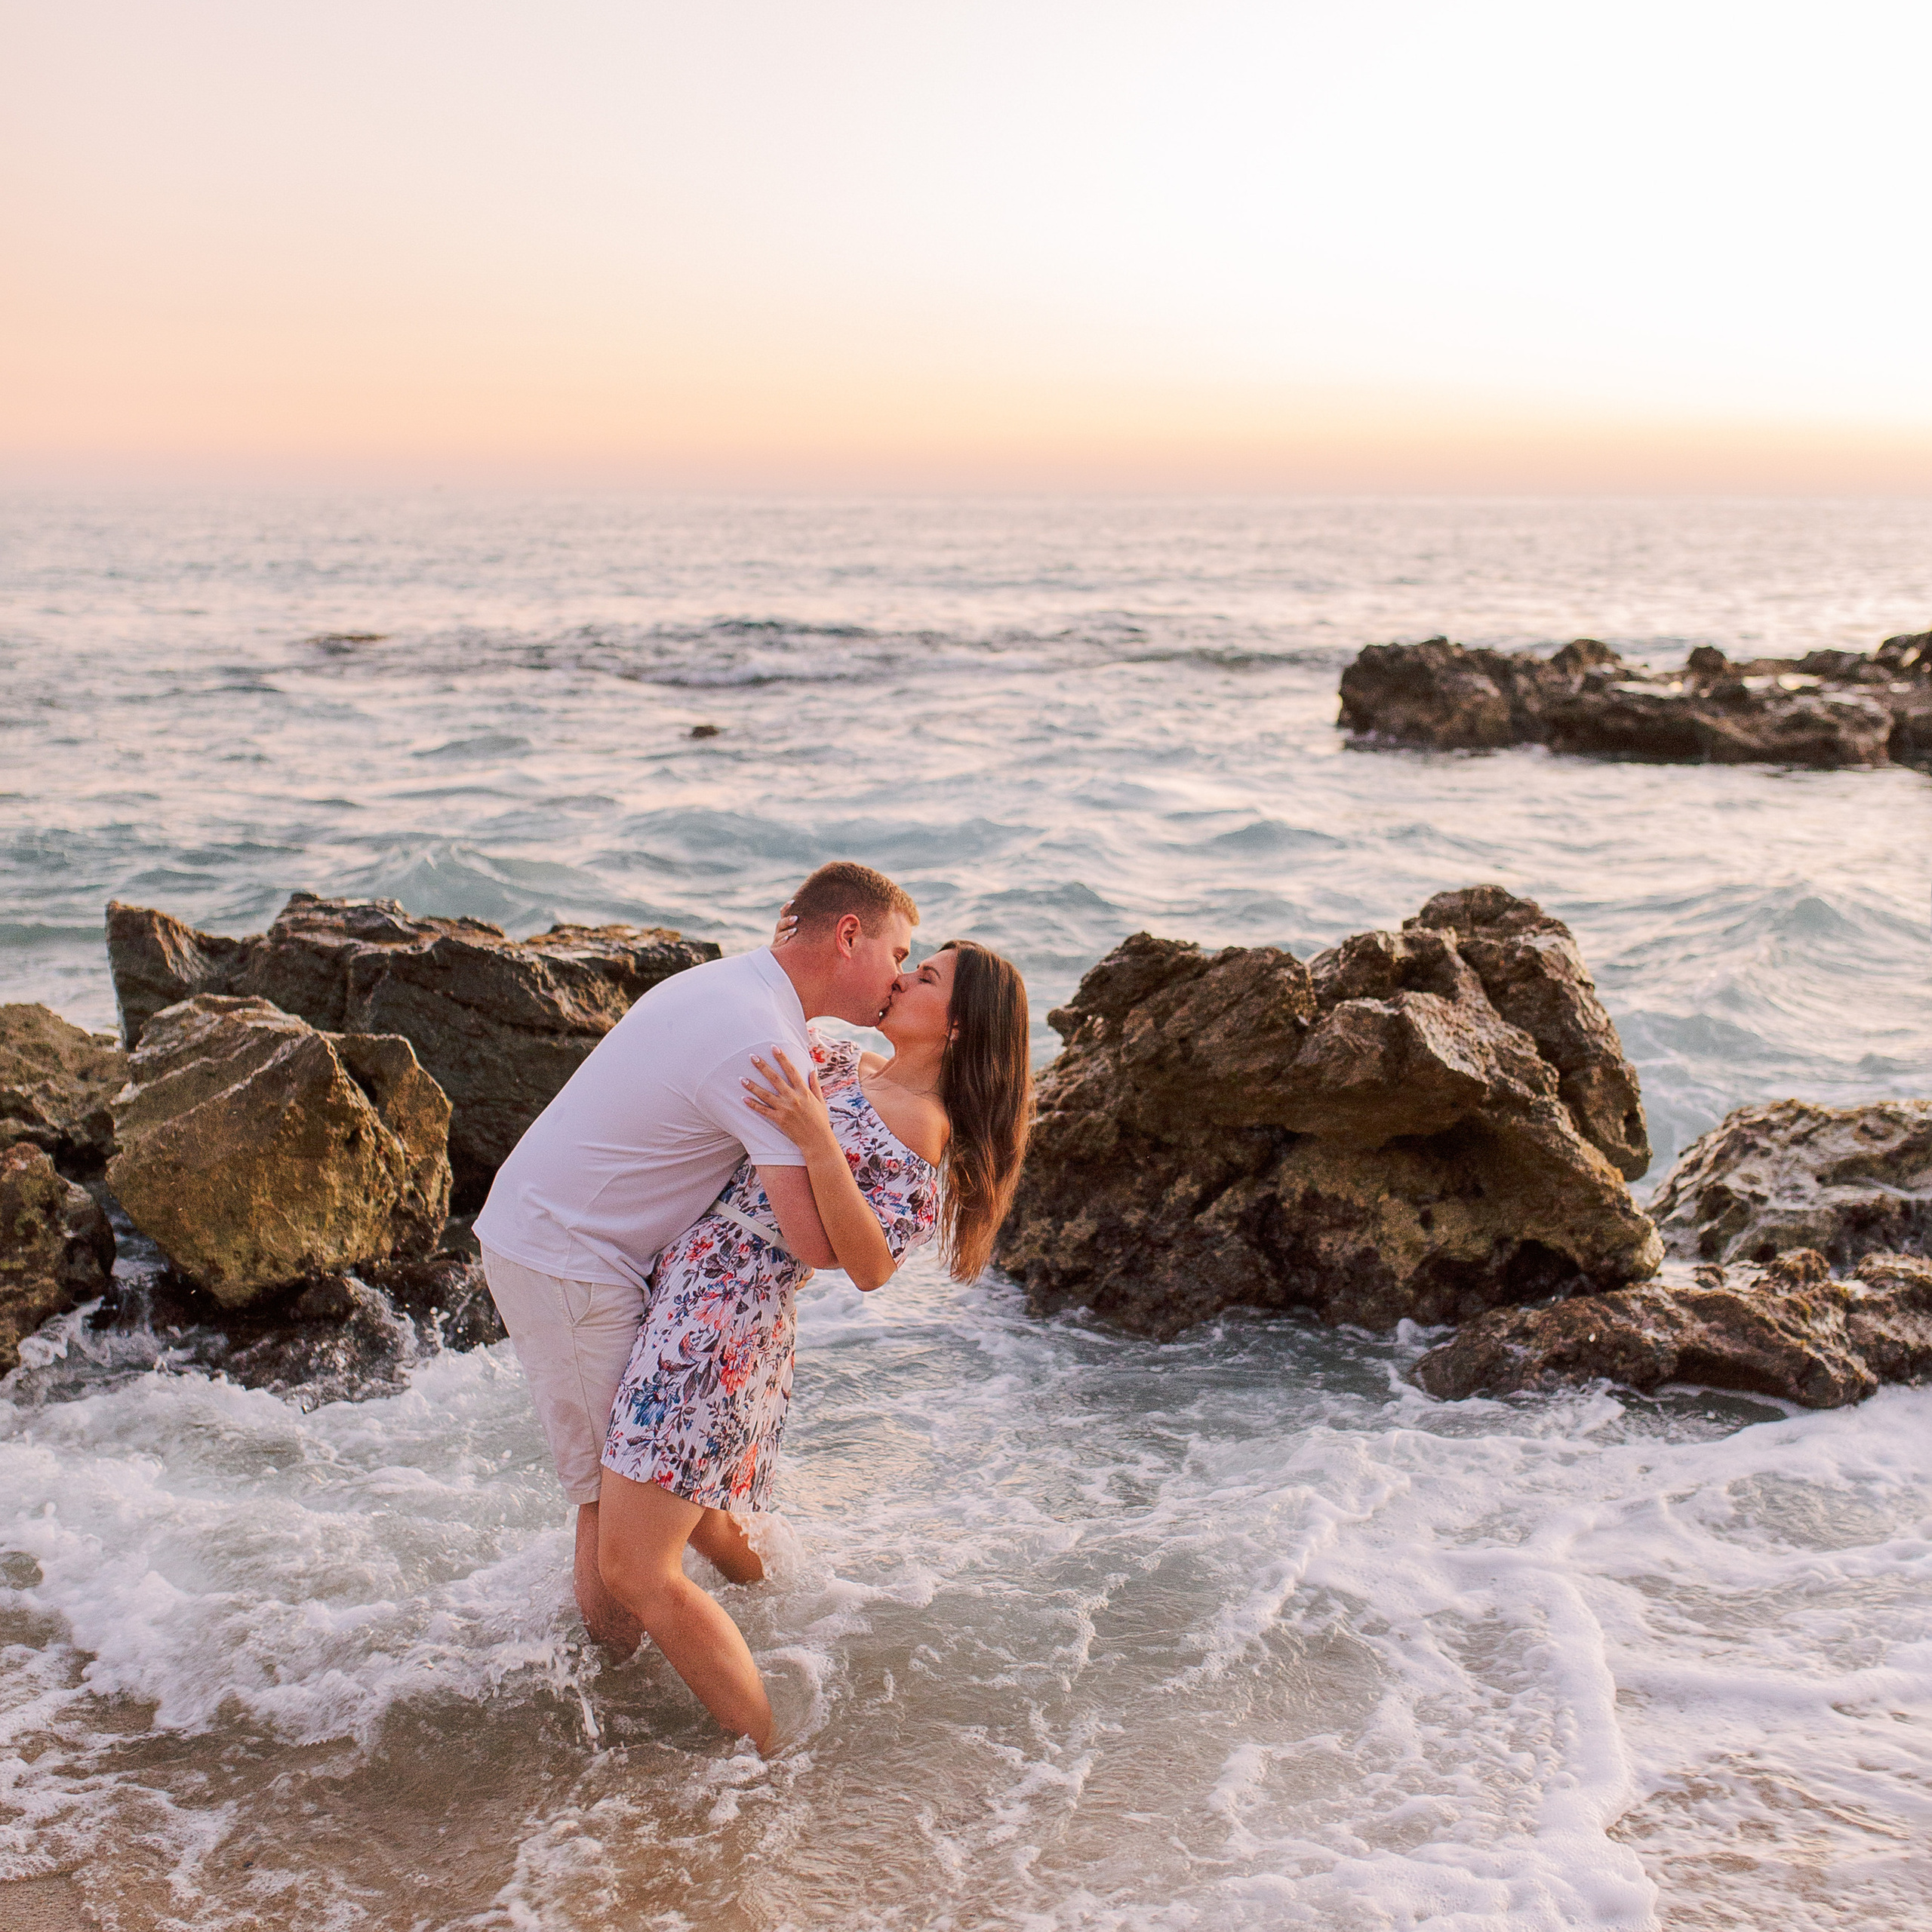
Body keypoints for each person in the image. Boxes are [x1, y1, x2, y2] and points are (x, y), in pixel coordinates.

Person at [594, 934, 1032, 1753]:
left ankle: (763, 1752)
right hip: (680, 1290)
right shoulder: (835, 1054)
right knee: (703, 1520)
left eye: (926, 976)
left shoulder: (924, 1128)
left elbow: (867, 1265)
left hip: (723, 1325)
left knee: (634, 1568)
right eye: (910, 961)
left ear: (963, 1026)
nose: (902, 976)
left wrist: (815, 1134)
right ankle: (796, 1608)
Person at [474, 862, 919, 1654]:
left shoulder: (738, 988)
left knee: (663, 1504)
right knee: (611, 1515)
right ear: (850, 935)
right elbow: (813, 1246)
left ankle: (738, 1625)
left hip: (569, 1236)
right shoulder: (764, 1042)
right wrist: (825, 1146)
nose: (900, 977)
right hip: (566, 1259)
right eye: (898, 952)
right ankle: (616, 1695)